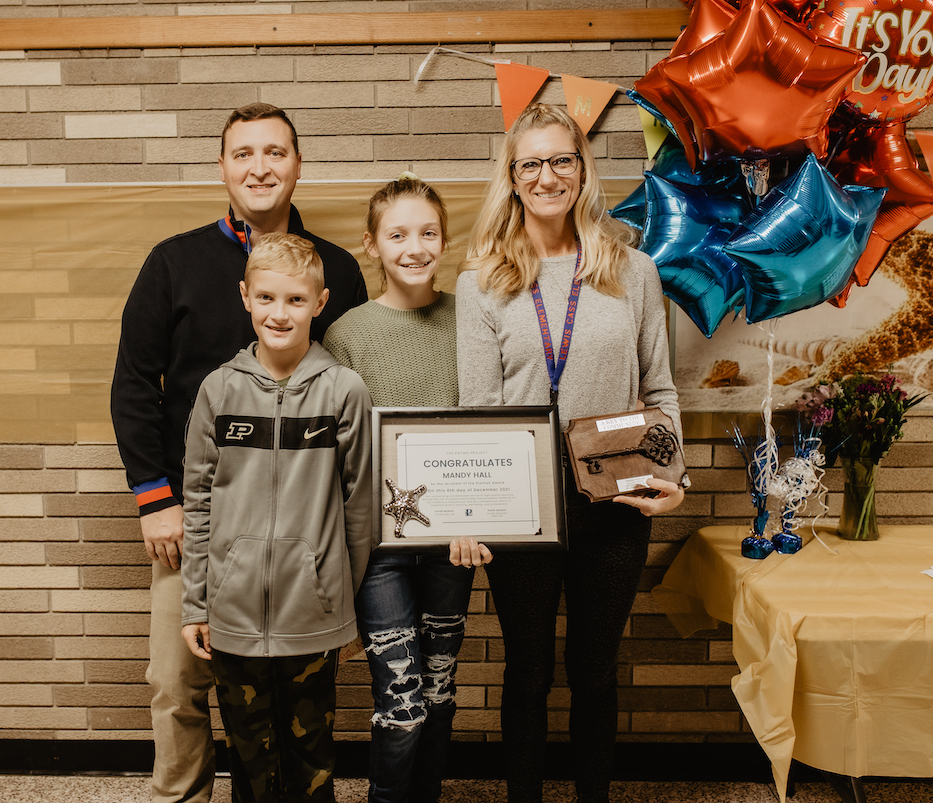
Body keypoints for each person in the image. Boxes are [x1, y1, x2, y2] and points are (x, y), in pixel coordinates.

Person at [110, 102, 368, 803]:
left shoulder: (338, 272)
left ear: (297, 164)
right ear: (223, 166)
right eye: (243, 153)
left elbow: (350, 397)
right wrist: (155, 499)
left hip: (299, 536)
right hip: (195, 519)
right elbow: (134, 383)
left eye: (275, 152)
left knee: (292, 703)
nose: (259, 167)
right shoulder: (174, 261)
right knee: (177, 681)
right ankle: (183, 796)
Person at [455, 103, 685, 803]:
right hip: (519, 504)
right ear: (512, 177)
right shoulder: (483, 279)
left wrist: (669, 472)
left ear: (582, 170)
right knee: (527, 670)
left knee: (594, 669)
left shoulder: (633, 270)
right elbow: (476, 411)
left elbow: (660, 387)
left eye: (561, 159)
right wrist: (468, 510)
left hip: (614, 497)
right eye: (531, 163)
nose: (546, 175)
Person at [180, 232, 373, 803]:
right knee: (246, 756)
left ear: (320, 303)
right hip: (232, 612)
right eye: (266, 298)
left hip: (312, 612)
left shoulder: (344, 391)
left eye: (294, 300)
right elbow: (198, 502)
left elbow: (360, 506)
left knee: (311, 751)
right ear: (244, 297)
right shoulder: (218, 391)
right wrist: (197, 600)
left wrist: (345, 603)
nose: (279, 313)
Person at [323, 175, 492, 803]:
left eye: (427, 232)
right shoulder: (347, 335)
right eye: (397, 234)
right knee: (402, 704)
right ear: (372, 244)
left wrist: (486, 511)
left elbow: (489, 426)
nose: (414, 247)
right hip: (380, 549)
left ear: (446, 240)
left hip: (456, 541)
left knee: (440, 694)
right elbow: (338, 450)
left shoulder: (472, 318)